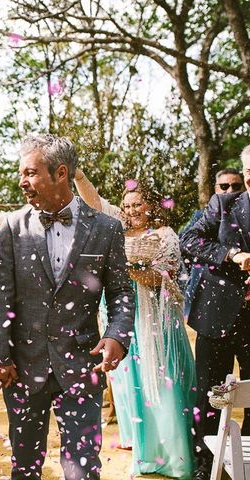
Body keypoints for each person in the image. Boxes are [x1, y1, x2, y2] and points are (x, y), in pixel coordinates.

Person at [0, 133, 134, 480]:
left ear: (60, 173)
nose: (22, 182)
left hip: (83, 364)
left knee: (83, 468)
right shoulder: (12, 227)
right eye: (21, 173)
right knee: (24, 466)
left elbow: (122, 293)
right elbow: (0, 295)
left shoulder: (107, 229)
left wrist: (117, 336)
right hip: (21, 367)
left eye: (31, 173)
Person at [75, 170, 197, 478]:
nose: (130, 211)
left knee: (163, 382)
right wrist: (77, 174)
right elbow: (94, 202)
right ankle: (145, 455)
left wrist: (132, 269)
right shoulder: (116, 229)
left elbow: (161, 277)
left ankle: (174, 455)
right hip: (125, 318)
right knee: (133, 385)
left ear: (151, 207)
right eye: (126, 206)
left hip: (156, 322)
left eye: (137, 205)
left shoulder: (165, 234)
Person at [180, 145, 250, 480]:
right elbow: (188, 239)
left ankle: (244, 465)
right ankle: (205, 464)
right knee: (210, 394)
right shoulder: (222, 205)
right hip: (216, 314)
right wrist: (232, 254)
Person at [181, 168, 245, 317]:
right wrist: (229, 254)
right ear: (216, 188)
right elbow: (185, 241)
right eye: (224, 186)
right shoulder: (202, 215)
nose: (230, 190)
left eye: (236, 186)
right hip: (208, 284)